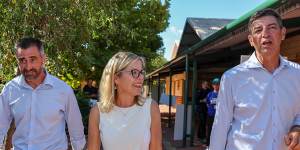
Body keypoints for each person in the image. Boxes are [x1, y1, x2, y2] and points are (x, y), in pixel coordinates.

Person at [209, 8, 300, 150]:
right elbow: (220, 126)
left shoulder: (297, 74)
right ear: (251, 40)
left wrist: (297, 127)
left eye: (272, 28)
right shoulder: (232, 78)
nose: (265, 34)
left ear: (282, 33)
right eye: (258, 30)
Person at [0, 37, 86, 150]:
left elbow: (77, 133)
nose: (28, 67)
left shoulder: (63, 90)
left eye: (32, 59)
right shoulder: (10, 89)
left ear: (43, 59)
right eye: (22, 60)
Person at [87, 52, 162, 150]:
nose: (141, 77)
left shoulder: (151, 108)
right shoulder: (97, 112)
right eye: (134, 72)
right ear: (116, 78)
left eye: (142, 72)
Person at [206, 78, 219, 147]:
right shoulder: (210, 94)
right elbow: (207, 103)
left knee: (219, 130)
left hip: (219, 116)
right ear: (212, 85)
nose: (216, 86)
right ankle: (208, 145)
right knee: (210, 130)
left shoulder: (222, 94)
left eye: (218, 84)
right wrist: (211, 108)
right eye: (215, 84)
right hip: (211, 115)